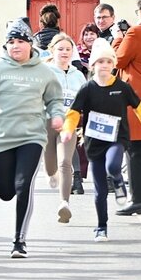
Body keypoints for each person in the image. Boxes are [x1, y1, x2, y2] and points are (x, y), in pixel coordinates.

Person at [0, 18, 64, 258]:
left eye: (20, 41)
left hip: (32, 137)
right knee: (6, 192)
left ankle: (19, 240)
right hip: (2, 137)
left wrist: (57, 115)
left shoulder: (44, 72)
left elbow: (54, 100)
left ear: (30, 43)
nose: (15, 46)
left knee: (23, 185)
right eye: (11, 42)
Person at [61, 38, 141, 241]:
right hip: (94, 142)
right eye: (100, 62)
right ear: (92, 65)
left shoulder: (122, 87)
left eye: (108, 61)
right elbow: (73, 112)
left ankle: (118, 182)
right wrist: (68, 130)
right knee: (99, 192)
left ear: (114, 64)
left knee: (113, 165)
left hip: (117, 139)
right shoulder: (87, 89)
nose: (104, 65)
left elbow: (139, 107)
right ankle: (101, 227)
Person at [43, 33, 86, 223]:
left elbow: (86, 98)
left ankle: (64, 203)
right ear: (52, 51)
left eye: (68, 49)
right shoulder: (45, 72)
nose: (65, 52)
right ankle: (51, 174)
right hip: (47, 123)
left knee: (65, 162)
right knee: (51, 166)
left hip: (69, 124)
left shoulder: (78, 75)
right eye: (60, 49)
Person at [112, 0, 141, 216]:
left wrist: (118, 38)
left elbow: (117, 60)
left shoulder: (136, 32)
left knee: (136, 150)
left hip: (138, 100)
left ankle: (139, 199)